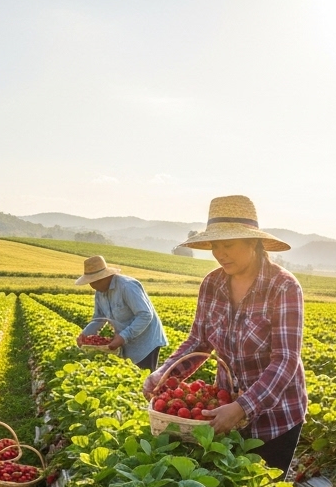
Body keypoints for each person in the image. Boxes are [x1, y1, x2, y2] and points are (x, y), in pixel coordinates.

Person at [144, 195, 307, 472]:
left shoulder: (283, 287)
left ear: (253, 243)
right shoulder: (212, 283)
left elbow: (286, 359)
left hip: (276, 416)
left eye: (228, 245)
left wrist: (242, 407)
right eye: (215, 246)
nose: (221, 254)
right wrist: (165, 375)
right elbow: (199, 341)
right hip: (221, 408)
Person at [74, 255, 167, 370]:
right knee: (129, 376)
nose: (92, 286)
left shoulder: (127, 286)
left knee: (143, 380)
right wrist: (84, 335)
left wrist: (123, 336)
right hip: (125, 341)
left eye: (93, 282)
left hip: (145, 342)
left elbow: (145, 315)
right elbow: (99, 318)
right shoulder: (100, 292)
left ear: (103, 278)